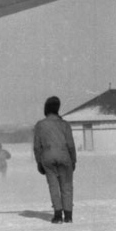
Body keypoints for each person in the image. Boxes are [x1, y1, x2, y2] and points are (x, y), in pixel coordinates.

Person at [33, 96, 77, 224]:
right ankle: (68, 215)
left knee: (53, 186)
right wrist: (73, 161)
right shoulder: (65, 124)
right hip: (64, 157)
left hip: (47, 157)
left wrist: (39, 162)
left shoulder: (40, 125)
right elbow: (71, 145)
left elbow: (37, 147)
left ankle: (57, 215)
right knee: (67, 186)